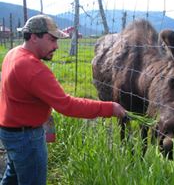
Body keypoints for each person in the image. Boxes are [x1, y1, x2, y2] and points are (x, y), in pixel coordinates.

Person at [0, 14, 126, 185]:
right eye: (52, 40)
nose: (56, 46)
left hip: (9, 131)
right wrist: (109, 108)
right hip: (26, 138)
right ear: (34, 37)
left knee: (13, 175)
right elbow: (68, 106)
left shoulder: (13, 53)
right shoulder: (33, 69)